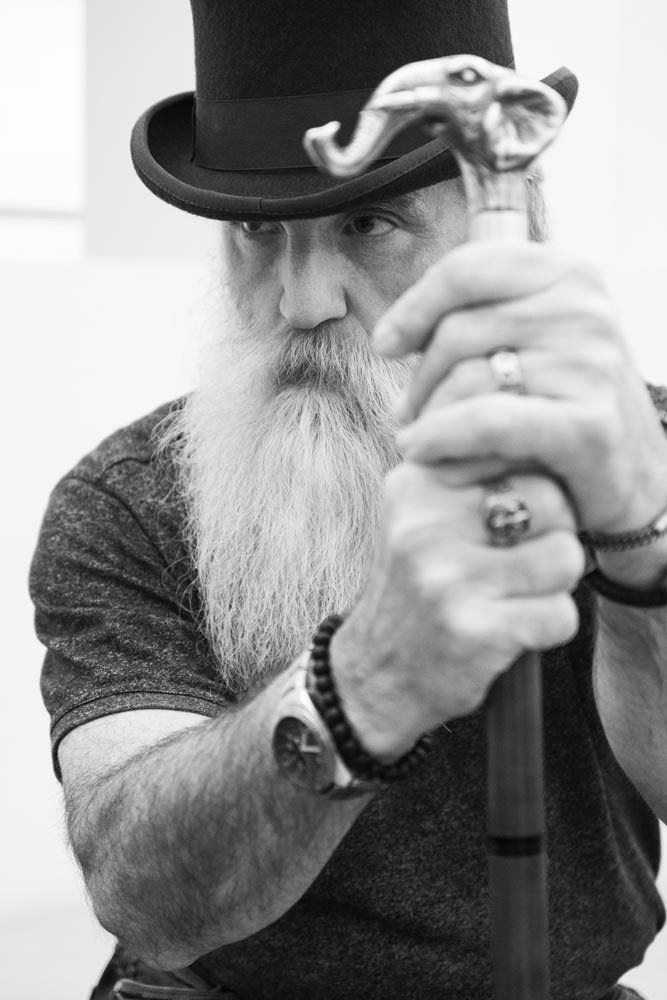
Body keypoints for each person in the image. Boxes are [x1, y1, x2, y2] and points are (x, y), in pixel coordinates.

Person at [29, 2, 667, 998]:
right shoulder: (130, 497)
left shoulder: (642, 453)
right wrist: (364, 683)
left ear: (507, 221)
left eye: (369, 224)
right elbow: (142, 891)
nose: (301, 301)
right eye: (256, 231)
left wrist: (642, 555)